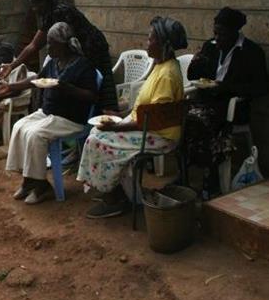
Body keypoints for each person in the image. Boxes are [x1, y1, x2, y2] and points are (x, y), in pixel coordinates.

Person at [76, 16, 187, 219]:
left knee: (98, 140)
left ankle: (115, 198)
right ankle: (116, 189)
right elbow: (142, 109)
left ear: (164, 44)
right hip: (147, 127)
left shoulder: (167, 74)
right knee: (95, 132)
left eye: (151, 39)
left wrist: (115, 127)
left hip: (160, 135)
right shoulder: (161, 66)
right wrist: (119, 116)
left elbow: (153, 119)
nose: (147, 42)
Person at [2, 22, 98, 204]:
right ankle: (29, 180)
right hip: (49, 113)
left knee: (35, 134)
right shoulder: (54, 62)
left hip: (70, 118)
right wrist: (10, 87)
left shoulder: (83, 65)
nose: (48, 47)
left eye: (51, 43)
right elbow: (37, 80)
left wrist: (66, 87)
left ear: (63, 45)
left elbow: (91, 96)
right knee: (19, 126)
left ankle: (42, 186)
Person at [186, 7, 268, 198]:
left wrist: (226, 87)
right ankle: (187, 173)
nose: (217, 38)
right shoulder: (211, 46)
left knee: (205, 121)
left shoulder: (251, 52)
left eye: (222, 34)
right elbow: (193, 76)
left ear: (235, 32)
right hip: (207, 102)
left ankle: (212, 178)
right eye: (215, 33)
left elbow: (261, 88)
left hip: (233, 107)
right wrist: (196, 62)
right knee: (183, 118)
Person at [0, 0, 118, 112]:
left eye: (35, 5)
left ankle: (103, 116)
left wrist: (12, 67)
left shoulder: (61, 12)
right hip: (86, 49)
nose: (34, 9)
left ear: (44, 1)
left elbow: (36, 45)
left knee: (102, 88)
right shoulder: (51, 15)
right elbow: (34, 46)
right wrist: (12, 67)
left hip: (94, 48)